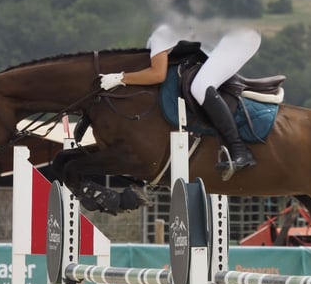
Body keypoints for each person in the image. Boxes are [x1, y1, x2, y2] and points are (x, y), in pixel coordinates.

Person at [99, 24, 261, 177]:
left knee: (200, 86)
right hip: (226, 37)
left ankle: (239, 150)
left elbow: (157, 74)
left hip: (240, 37)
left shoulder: (162, 33)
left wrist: (121, 78)